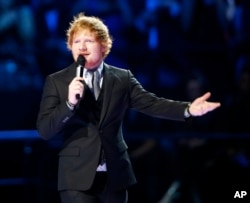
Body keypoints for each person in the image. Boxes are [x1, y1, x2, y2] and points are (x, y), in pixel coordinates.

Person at [36, 12, 221, 203]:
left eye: (88, 40)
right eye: (76, 41)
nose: (82, 46)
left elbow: (152, 103)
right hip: (76, 176)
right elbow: (45, 129)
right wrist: (69, 104)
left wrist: (188, 109)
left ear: (104, 45)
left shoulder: (122, 79)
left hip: (114, 175)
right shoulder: (57, 82)